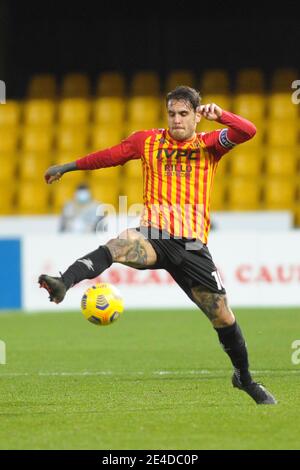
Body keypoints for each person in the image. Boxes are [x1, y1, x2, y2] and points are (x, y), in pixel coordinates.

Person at [39, 86, 276, 405]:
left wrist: (221, 116)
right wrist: (68, 167)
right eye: (172, 114)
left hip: (192, 247)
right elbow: (108, 156)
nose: (176, 120)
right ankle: (63, 282)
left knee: (223, 317)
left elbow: (248, 131)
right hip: (155, 234)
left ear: (196, 115)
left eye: (183, 114)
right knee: (118, 245)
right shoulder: (146, 141)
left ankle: (244, 379)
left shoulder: (210, 143)